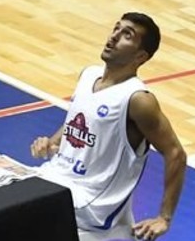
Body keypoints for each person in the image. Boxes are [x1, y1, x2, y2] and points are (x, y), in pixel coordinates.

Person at [30, 12, 186, 241]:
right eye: (116, 28)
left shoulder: (138, 100)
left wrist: (164, 218)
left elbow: (176, 153)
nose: (114, 37)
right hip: (55, 182)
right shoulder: (88, 75)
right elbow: (78, 122)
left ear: (140, 56)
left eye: (127, 35)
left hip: (88, 212)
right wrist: (51, 143)